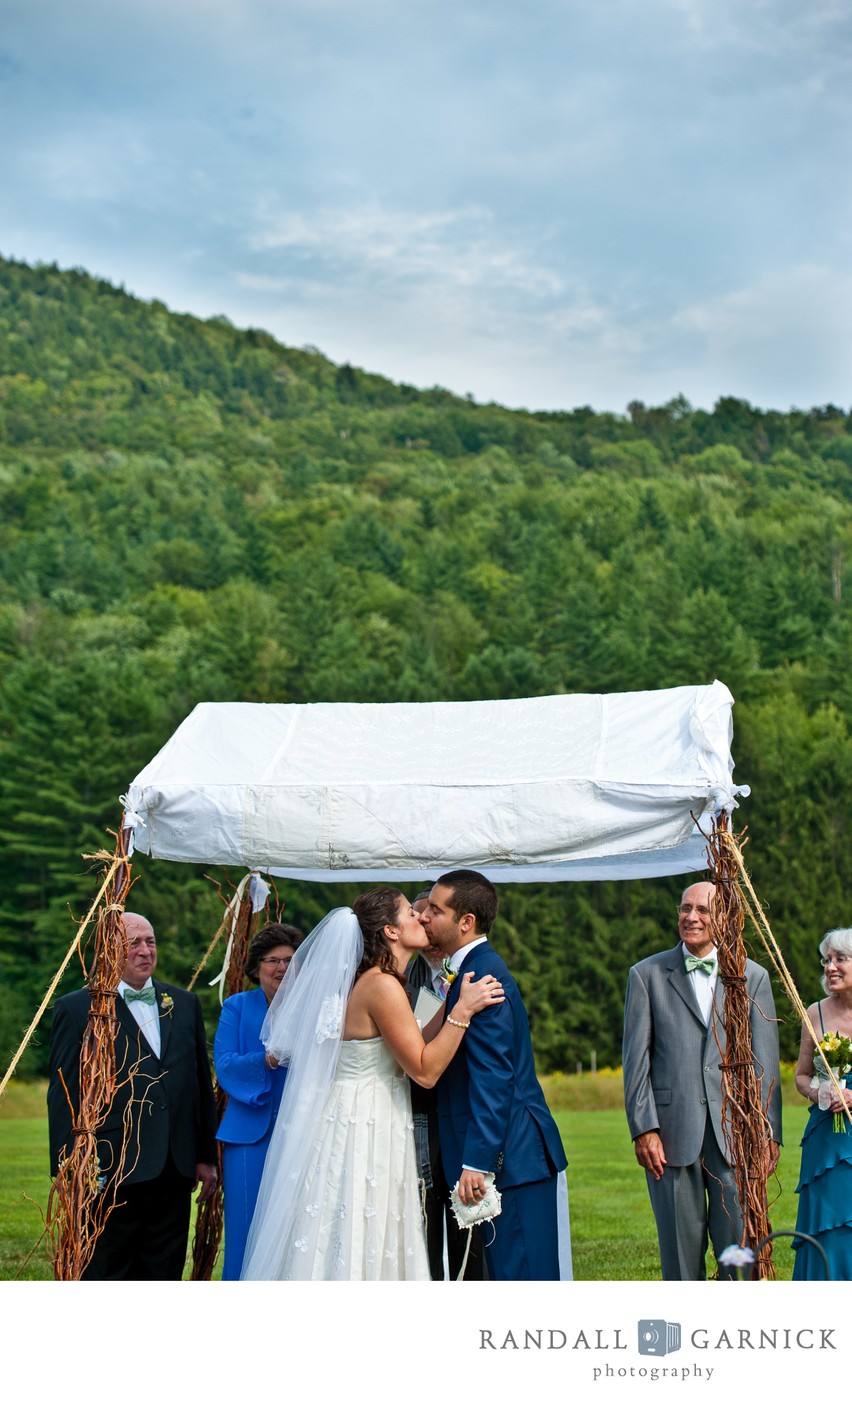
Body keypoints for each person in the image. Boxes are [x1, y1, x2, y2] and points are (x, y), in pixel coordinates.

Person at [240, 886, 505, 1280]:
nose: (422, 918)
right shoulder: (381, 984)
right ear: (391, 932)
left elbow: (413, 1038)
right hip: (365, 1119)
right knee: (360, 1224)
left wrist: (450, 1001)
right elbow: (424, 1069)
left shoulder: (375, 979)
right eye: (411, 915)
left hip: (361, 1109)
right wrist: (463, 1011)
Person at [622, 879, 782, 1281]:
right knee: (679, 1258)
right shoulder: (647, 975)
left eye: (703, 910)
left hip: (737, 1133)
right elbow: (635, 1062)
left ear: (724, 918)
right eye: (685, 908)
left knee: (739, 1256)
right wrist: (645, 1129)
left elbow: (766, 1064)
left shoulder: (752, 977)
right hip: (670, 1138)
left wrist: (768, 1134)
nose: (691, 917)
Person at [47, 911, 219, 1280]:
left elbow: (199, 1085)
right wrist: (66, 1165)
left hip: (174, 1165)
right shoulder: (79, 1009)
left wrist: (205, 1156)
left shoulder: (184, 1003)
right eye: (133, 943)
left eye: (150, 941)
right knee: (109, 1271)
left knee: (164, 1270)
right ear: (110, 950)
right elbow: (64, 1094)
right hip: (111, 1166)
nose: (145, 951)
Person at [421, 869, 568, 1281]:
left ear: (466, 922)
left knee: (522, 1280)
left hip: (511, 1163)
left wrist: (478, 1161)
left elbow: (494, 1077)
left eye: (435, 909)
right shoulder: (470, 971)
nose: (424, 917)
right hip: (505, 1159)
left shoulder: (484, 977)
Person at [214, 921, 303, 1280]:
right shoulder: (236, 1007)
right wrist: (266, 1060)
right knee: (245, 1229)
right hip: (248, 1137)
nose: (281, 968)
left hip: (302, 1131)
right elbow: (225, 1065)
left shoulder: (313, 1008)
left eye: (289, 960)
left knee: (295, 1230)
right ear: (256, 967)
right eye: (272, 960)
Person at [406, 889, 484, 1280]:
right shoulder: (403, 978)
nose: (425, 926)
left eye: (431, 918)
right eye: (419, 919)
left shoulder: (473, 970)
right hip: (419, 1111)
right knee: (425, 1217)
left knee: (467, 1225)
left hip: (464, 1113)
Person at [793, 928, 852, 1280]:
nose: (830, 967)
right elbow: (802, 1076)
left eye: (840, 959)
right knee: (825, 1229)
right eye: (826, 960)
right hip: (824, 1142)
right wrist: (819, 1093)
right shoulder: (814, 1013)